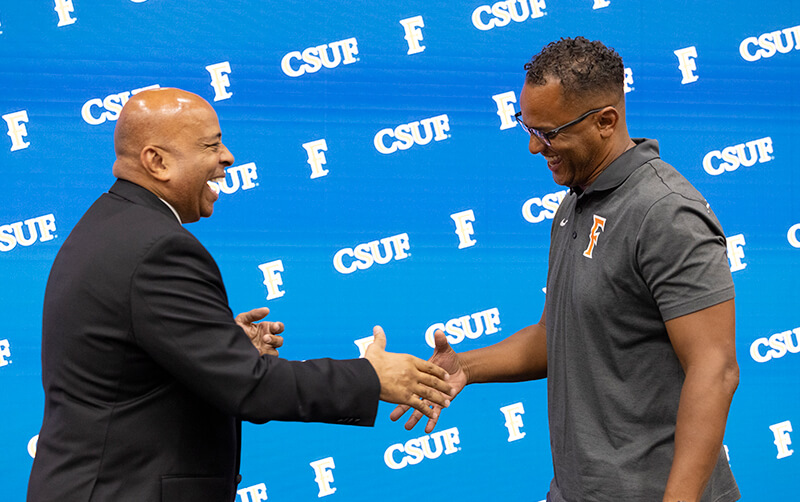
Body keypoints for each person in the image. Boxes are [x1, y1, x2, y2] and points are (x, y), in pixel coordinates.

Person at [27, 88, 452, 502]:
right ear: (156, 161)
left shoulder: (113, 224)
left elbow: (135, 361)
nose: (227, 156)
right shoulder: (158, 248)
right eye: (211, 145)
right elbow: (250, 389)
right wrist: (371, 376)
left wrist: (221, 347)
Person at [392, 37, 740, 502]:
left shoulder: (666, 213)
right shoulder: (574, 203)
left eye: (550, 132)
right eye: (527, 127)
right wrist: (464, 368)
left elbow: (714, 369)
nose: (535, 147)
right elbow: (559, 333)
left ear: (606, 121)